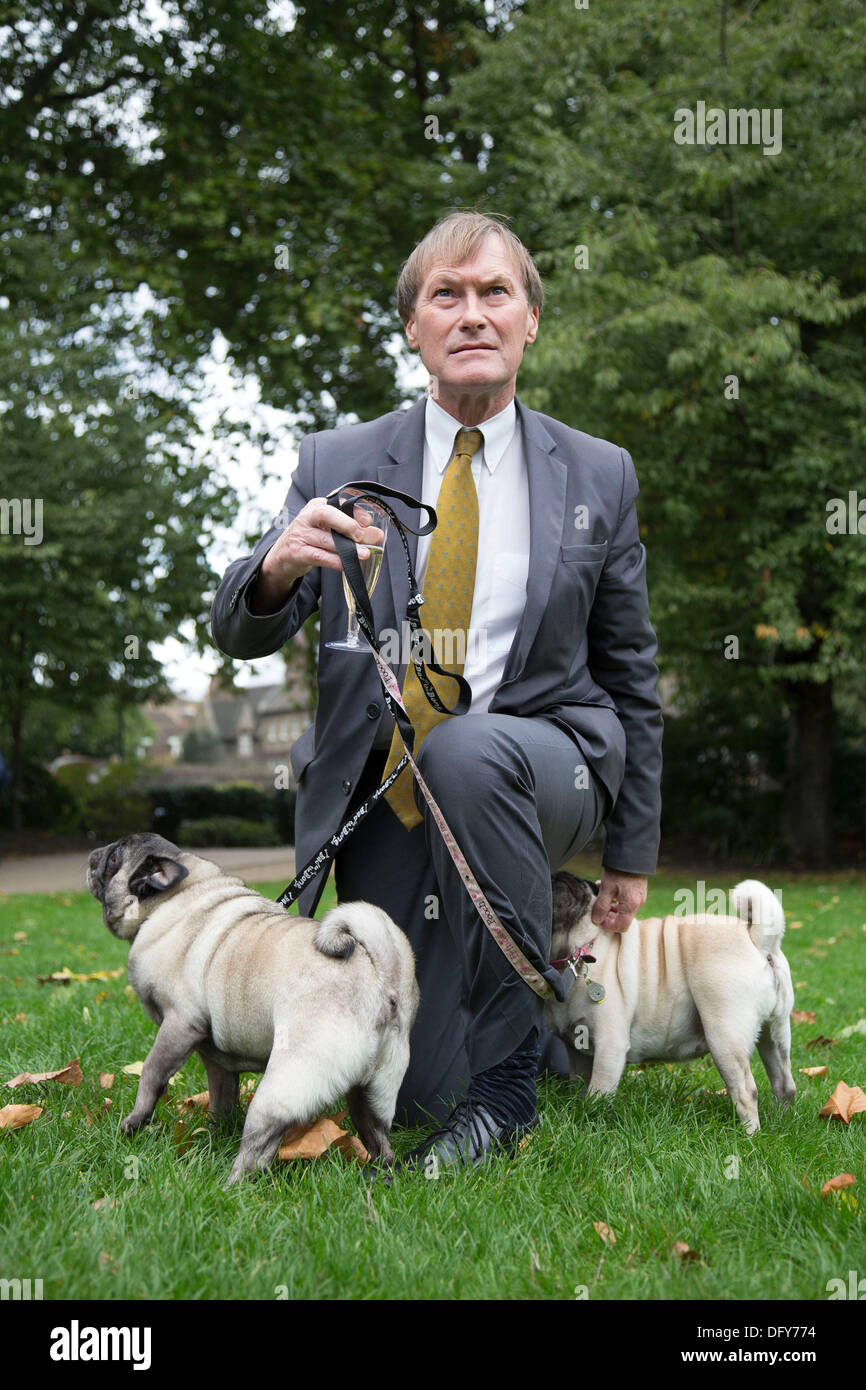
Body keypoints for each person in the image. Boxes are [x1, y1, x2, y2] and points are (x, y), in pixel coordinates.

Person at [211, 210, 663, 1172]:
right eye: (445, 296)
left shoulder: (598, 472)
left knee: (467, 749)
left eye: (495, 292)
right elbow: (243, 632)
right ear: (413, 327)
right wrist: (276, 568)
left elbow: (631, 673)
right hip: (388, 797)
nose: (472, 314)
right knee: (415, 1091)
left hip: (547, 762)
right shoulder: (335, 462)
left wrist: (630, 849)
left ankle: (509, 1097)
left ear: (530, 320)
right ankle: (533, 1021)